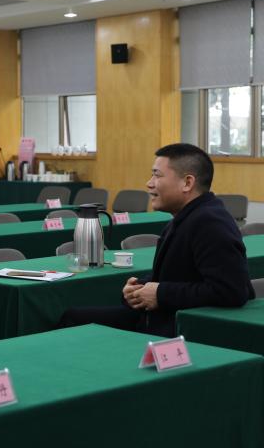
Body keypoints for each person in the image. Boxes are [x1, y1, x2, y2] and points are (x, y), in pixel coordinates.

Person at [60, 143, 253, 336]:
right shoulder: (185, 217)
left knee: (74, 320)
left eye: (157, 175)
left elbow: (231, 291)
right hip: (157, 316)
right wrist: (140, 289)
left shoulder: (210, 222)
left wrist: (160, 294)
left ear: (187, 183)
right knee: (73, 316)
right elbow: (177, 276)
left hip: (178, 327)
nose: (149, 183)